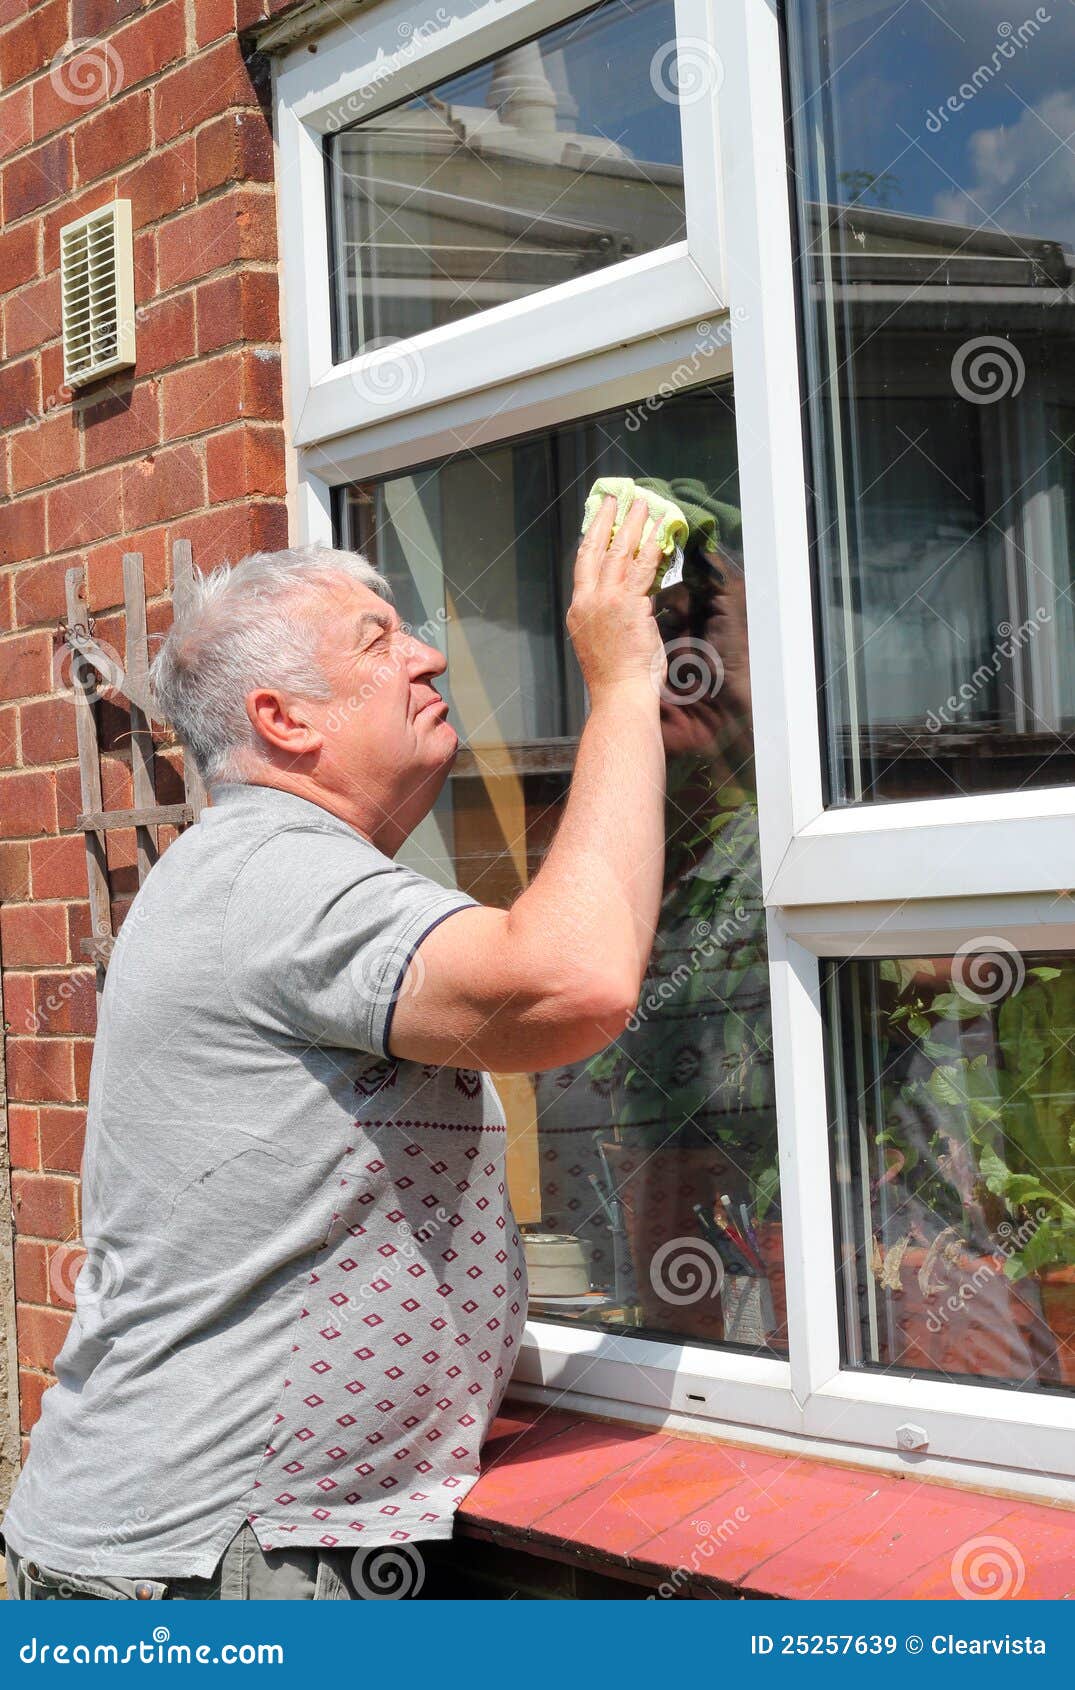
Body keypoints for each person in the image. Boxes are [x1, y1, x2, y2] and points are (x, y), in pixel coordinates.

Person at [1, 498, 667, 1600]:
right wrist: (625, 681)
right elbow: (576, 981)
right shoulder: (275, 873)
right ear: (286, 719)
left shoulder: (271, 868)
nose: (429, 655)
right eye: (379, 640)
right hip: (212, 1577)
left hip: (228, 1551)